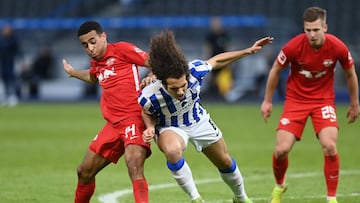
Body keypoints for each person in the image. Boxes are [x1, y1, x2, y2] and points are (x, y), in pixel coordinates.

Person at [139, 30, 273, 203]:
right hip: (170, 126)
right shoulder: (149, 94)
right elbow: (146, 111)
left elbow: (217, 60)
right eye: (174, 88)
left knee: (225, 161)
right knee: (172, 151)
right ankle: (196, 199)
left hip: (198, 120)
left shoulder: (195, 71)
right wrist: (150, 127)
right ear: (163, 83)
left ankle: (241, 198)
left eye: (183, 86)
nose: (180, 91)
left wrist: (247, 51)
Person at [260, 7, 359, 203]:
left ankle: (332, 198)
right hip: (296, 101)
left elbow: (350, 74)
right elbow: (275, 70)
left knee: (330, 146)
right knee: (281, 150)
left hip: (323, 102)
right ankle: (279, 186)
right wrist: (267, 101)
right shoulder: (293, 47)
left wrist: (354, 104)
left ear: (325, 27)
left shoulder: (338, 47)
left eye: (316, 30)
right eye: (308, 30)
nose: (312, 35)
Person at [62, 20, 152, 203]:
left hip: (135, 119)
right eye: (85, 45)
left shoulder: (122, 49)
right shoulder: (97, 63)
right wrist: (73, 72)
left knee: (134, 164)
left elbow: (153, 62)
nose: (90, 48)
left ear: (104, 37)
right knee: (84, 172)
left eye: (93, 41)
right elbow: (93, 76)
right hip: (113, 125)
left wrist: (152, 75)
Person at [202, 16, 232, 100]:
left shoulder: (224, 35)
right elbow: (207, 49)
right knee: (212, 79)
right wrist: (206, 61)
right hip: (213, 61)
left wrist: (229, 61)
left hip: (223, 61)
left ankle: (223, 96)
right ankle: (214, 97)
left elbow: (227, 48)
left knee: (223, 80)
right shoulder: (210, 36)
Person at [0, 24, 22, 106]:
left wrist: (21, 60)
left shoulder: (13, 40)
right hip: (3, 62)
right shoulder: (1, 40)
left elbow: (18, 51)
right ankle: (6, 95)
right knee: (5, 79)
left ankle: (13, 96)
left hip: (11, 62)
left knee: (12, 80)